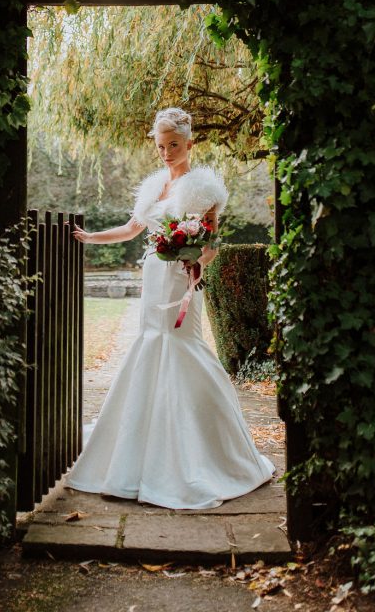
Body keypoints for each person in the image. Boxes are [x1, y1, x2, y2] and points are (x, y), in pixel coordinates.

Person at [68, 106, 274, 510]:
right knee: (151, 343)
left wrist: (196, 262)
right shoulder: (154, 187)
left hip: (182, 278)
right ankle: (139, 449)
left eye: (173, 145)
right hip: (153, 276)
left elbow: (212, 245)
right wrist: (91, 237)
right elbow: (132, 229)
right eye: (161, 146)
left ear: (189, 143)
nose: (165, 153)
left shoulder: (203, 190)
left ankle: (205, 451)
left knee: (183, 345)